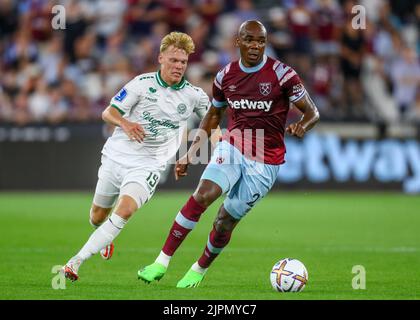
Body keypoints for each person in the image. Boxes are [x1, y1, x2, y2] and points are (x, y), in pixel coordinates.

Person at [137, 20, 320, 288]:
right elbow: (213, 116)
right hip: (234, 144)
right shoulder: (225, 76)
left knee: (224, 221)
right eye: (249, 40)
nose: (255, 46)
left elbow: (312, 112)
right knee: (204, 194)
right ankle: (161, 262)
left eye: (261, 41)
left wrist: (303, 125)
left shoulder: (282, 75)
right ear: (238, 42)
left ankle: (198, 269)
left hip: (266, 161)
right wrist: (190, 153)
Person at [61, 32, 210, 281]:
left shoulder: (195, 95)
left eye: (183, 62)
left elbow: (211, 124)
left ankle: (75, 262)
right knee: (97, 216)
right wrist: (126, 124)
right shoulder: (141, 84)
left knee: (126, 209)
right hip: (118, 155)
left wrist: (193, 153)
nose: (178, 66)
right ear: (161, 58)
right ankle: (104, 238)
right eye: (173, 60)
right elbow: (108, 112)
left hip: (150, 164)